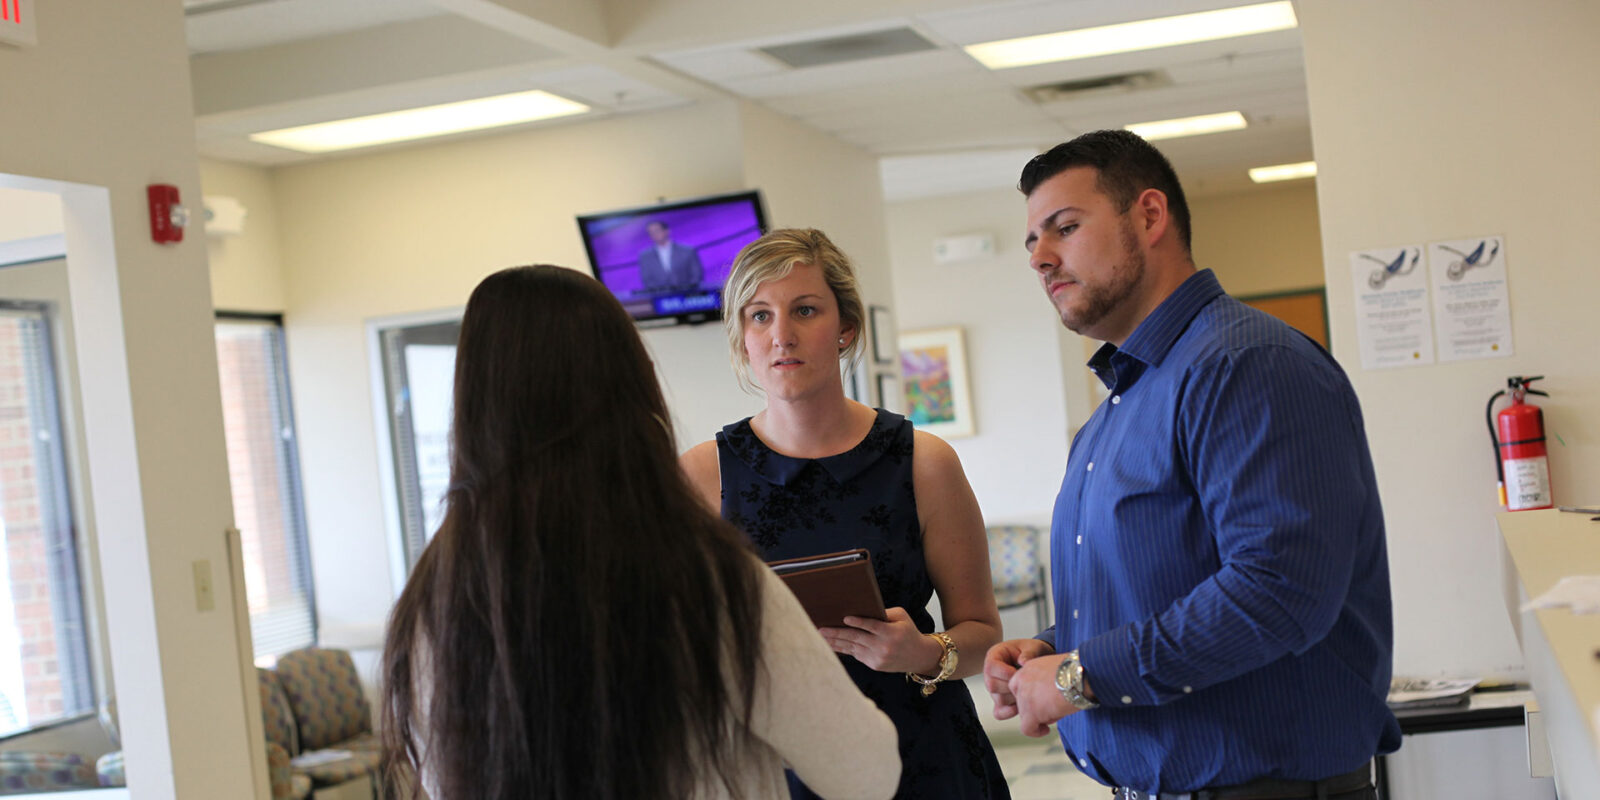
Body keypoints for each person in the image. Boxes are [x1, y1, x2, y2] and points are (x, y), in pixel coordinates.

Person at [982, 130, 1400, 800]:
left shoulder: (1248, 365)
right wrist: (1058, 648)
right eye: (1033, 241)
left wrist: (1076, 677)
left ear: (1149, 216)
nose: (1042, 258)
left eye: (1064, 227)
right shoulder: (1115, 410)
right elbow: (1156, 588)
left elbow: (1278, 593)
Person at [380, 265, 901, 800]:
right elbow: (867, 773)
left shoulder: (432, 603)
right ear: (634, 386)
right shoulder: (709, 582)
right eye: (760, 316)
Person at [681, 229, 1011, 800]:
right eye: (759, 316)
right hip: (777, 765)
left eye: (804, 310)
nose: (781, 334)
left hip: (924, 757)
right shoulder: (700, 476)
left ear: (845, 330)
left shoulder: (923, 462)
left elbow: (982, 632)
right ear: (742, 339)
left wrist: (924, 653)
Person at [638, 219, 705, 293]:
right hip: (660, 299)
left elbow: (696, 275)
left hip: (688, 297)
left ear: (667, 231)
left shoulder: (687, 251)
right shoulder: (645, 256)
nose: (654, 234)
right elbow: (647, 280)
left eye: (657, 231)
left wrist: (688, 292)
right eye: (651, 233)